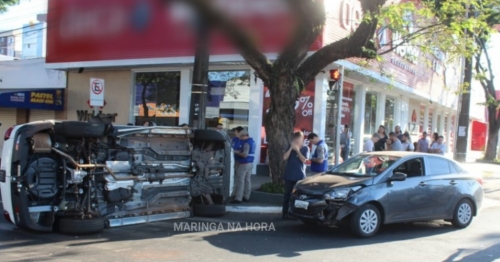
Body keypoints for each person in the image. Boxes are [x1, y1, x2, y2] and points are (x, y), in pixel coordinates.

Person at [282, 132, 309, 220]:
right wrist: (291, 148)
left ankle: (296, 213)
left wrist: (297, 150)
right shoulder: (289, 147)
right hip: (289, 175)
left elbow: (304, 160)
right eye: (295, 140)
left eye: (299, 140)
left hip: (299, 176)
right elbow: (284, 158)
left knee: (298, 196)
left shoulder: (305, 148)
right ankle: (285, 213)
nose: (297, 142)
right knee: (287, 195)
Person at [231, 130, 255, 204]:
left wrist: (236, 152)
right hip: (250, 163)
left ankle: (238, 198)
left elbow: (245, 154)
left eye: (241, 137)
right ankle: (246, 196)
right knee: (247, 180)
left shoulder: (246, 143)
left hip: (244, 163)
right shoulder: (252, 141)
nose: (240, 139)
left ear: (245, 135)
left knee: (240, 180)